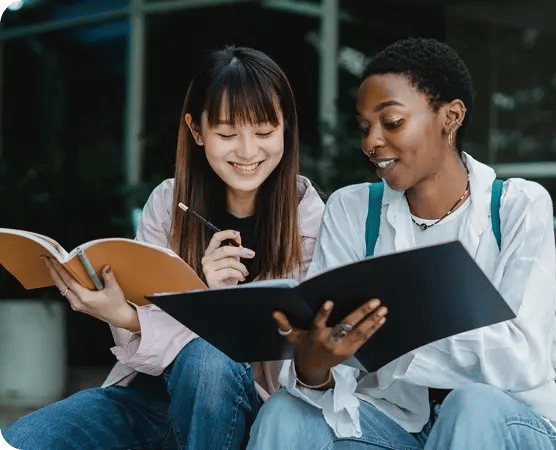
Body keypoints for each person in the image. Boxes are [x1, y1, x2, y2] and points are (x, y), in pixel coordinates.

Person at [246, 37, 556, 450]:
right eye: (364, 127)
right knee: (286, 412)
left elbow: (524, 356)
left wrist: (403, 333)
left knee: (471, 405)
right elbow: (333, 373)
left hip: (509, 422)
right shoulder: (352, 210)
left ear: (451, 117)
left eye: (391, 122)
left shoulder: (516, 206)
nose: (370, 141)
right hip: (395, 426)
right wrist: (314, 366)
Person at [3, 45, 325, 450]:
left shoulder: (312, 222)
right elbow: (143, 351)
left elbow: (297, 360)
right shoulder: (168, 204)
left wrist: (187, 307)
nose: (247, 151)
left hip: (247, 411)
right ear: (196, 131)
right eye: (226, 134)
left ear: (286, 127)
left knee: (207, 360)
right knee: (27, 438)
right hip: (149, 400)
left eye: (264, 132)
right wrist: (122, 314)